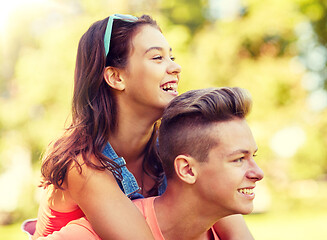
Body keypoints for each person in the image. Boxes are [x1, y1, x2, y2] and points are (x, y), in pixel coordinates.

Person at [32, 12, 255, 240]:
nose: (176, 67)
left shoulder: (173, 147)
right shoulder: (81, 162)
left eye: (172, 57)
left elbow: (232, 227)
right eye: (157, 58)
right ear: (116, 77)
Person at [36, 87, 264, 240]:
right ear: (186, 169)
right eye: (238, 159)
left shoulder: (221, 225)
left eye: (253, 156)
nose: (258, 173)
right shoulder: (92, 230)